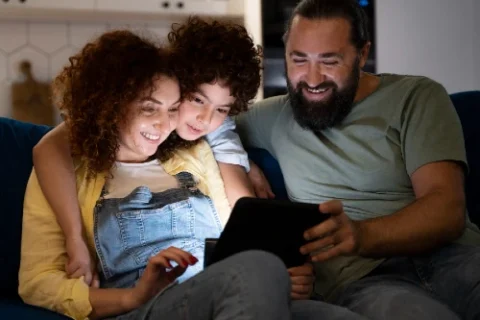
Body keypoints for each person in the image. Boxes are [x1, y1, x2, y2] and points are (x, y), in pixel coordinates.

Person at [21, 19, 368, 320]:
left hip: (227, 293)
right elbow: (38, 283)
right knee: (255, 270)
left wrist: (285, 272)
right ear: (112, 105)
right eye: (149, 108)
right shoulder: (67, 173)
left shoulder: (200, 152)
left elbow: (246, 234)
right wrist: (131, 296)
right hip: (141, 310)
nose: (163, 123)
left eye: (173, 108)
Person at [231, 0, 480, 319]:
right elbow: (201, 125)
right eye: (299, 60)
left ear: (361, 55)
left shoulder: (415, 96)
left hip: (453, 257)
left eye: (329, 61)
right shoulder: (273, 116)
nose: (312, 78)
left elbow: (446, 209)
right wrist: (239, 159)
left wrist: (361, 234)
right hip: (364, 281)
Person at [32, 17, 259, 287]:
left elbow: (246, 218)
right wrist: (74, 237)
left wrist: (245, 163)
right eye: (197, 100)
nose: (205, 119)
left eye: (222, 110)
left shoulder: (210, 140)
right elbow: (49, 148)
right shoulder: (94, 140)